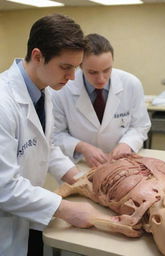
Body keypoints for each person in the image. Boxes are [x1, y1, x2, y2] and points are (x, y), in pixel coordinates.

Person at [0, 14, 100, 256]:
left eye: (75, 68)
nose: (72, 77)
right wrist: (64, 208)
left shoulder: (45, 91)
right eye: (65, 67)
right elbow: (4, 187)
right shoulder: (3, 104)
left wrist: (78, 179)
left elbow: (47, 145)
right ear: (37, 56)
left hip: (29, 215)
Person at [51, 33, 151, 167]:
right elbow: (55, 134)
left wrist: (126, 144)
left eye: (106, 70)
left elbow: (140, 125)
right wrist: (82, 147)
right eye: (92, 72)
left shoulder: (131, 84)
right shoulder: (62, 89)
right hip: (80, 163)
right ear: (80, 66)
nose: (101, 79)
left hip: (121, 162)